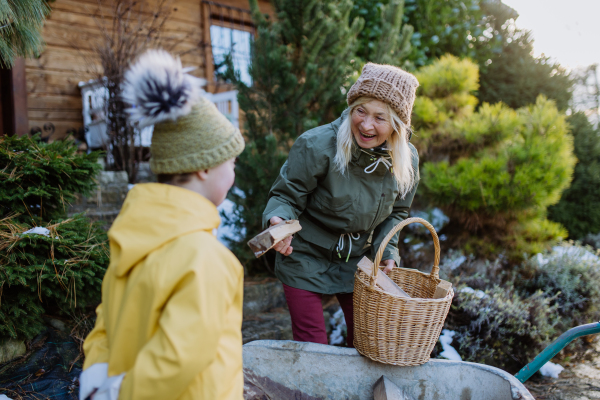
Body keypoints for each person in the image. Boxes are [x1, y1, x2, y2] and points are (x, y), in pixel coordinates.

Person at [78, 50, 245, 400]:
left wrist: (98, 374)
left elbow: (107, 317)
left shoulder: (132, 237)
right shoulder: (207, 259)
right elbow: (179, 355)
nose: (234, 172)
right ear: (204, 167)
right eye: (231, 162)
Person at [263, 63, 420, 347]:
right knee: (314, 346)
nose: (366, 124)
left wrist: (388, 251)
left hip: (357, 260)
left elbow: (397, 212)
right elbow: (286, 195)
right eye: (360, 111)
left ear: (397, 125)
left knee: (366, 340)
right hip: (305, 254)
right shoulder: (317, 145)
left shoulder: (406, 159)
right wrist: (278, 223)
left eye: (379, 117)